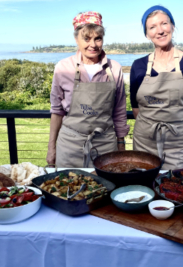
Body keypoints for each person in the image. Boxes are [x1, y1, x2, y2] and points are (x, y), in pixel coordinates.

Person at [46, 11, 129, 168]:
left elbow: (119, 111)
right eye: (87, 38)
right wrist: (51, 148)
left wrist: (121, 144)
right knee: (66, 188)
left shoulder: (115, 69)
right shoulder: (63, 68)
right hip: (70, 145)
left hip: (105, 145)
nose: (93, 44)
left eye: (98, 38)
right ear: (76, 39)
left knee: (106, 189)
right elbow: (56, 111)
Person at [130, 5, 183, 170]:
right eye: (152, 27)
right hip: (144, 141)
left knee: (176, 188)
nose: (160, 30)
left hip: (178, 144)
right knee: (143, 187)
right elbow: (135, 106)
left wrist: (181, 131)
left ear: (172, 26)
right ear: (147, 34)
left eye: (164, 23)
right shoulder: (138, 65)